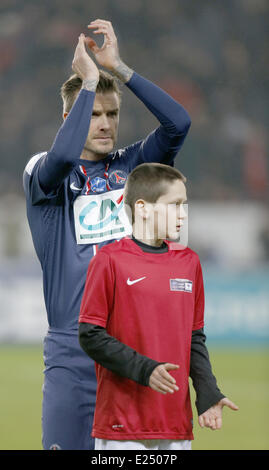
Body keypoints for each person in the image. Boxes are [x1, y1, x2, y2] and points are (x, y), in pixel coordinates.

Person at [23, 19, 191, 450]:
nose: (104, 124)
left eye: (112, 114)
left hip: (131, 352)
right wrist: (91, 80)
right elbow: (62, 155)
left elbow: (178, 124)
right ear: (72, 117)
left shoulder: (132, 166)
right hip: (73, 350)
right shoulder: (45, 173)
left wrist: (121, 69)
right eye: (93, 114)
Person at [79, 163, 239, 451]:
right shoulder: (109, 260)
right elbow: (90, 334)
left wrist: (207, 391)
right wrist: (145, 369)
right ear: (143, 208)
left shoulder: (189, 262)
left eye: (185, 205)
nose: (183, 214)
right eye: (175, 205)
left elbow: (194, 337)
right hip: (122, 426)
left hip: (175, 424)